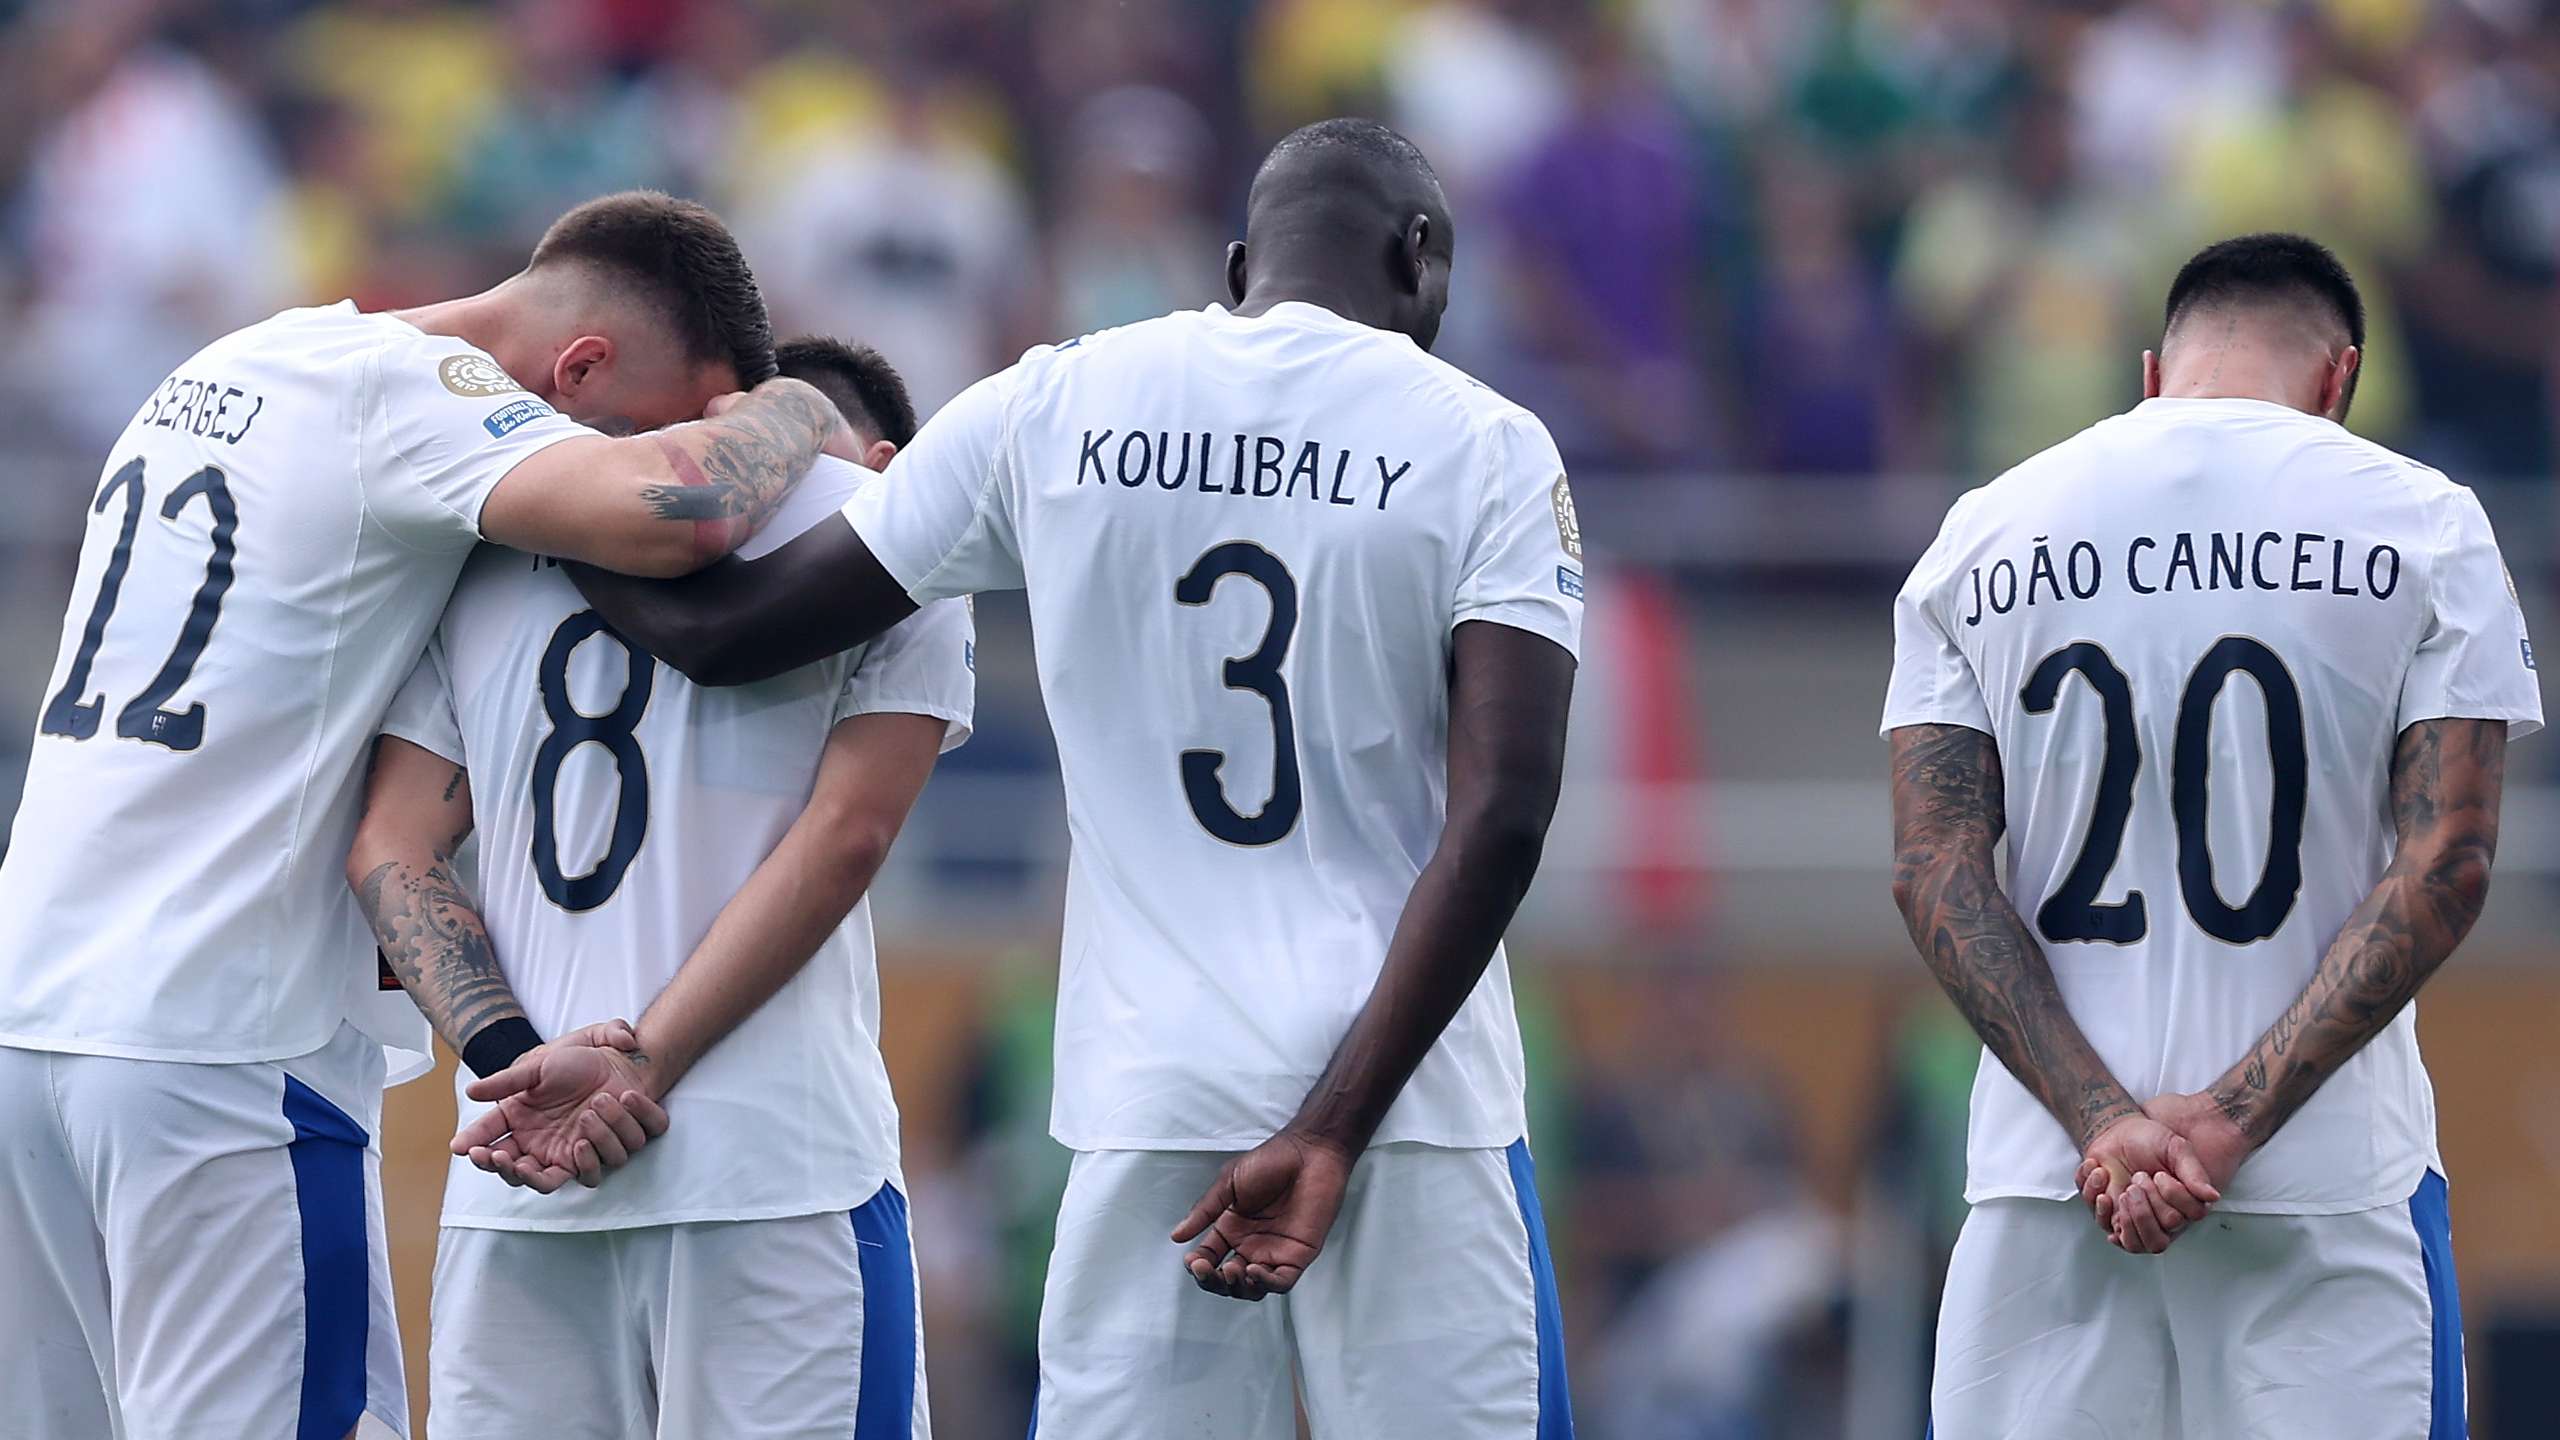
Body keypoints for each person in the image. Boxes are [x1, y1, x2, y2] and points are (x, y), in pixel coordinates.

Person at [574, 119, 1585, 1438]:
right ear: (1420, 253)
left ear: (1239, 267)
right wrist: (1333, 1126)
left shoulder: (1052, 403)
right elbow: (1504, 812)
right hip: (1415, 1110)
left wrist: (532, 494)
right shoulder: (1485, 443)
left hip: (1149, 1100)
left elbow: (727, 633)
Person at [0, 191, 846, 1440]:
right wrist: (798, 408)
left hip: (28, 1025)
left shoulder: (239, 360)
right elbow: (684, 512)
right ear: (579, 369)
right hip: (215, 1048)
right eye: (662, 416)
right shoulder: (416, 395)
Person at [1883, 232, 2542, 1437]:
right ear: (2339, 379)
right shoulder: (2424, 523)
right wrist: (2231, 1119)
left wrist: (2102, 1121)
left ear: (2152, 374)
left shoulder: (1979, 532)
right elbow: (2448, 859)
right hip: (2327, 1189)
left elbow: (1934, 869)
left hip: (2048, 1188)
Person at [347, 335, 971, 1439]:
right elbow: (848, 835)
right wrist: (640, 1066)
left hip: (514, 1172)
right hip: (777, 1177)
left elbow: (392, 849)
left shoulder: (493, 541)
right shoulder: (891, 520)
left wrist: (516, 1067)